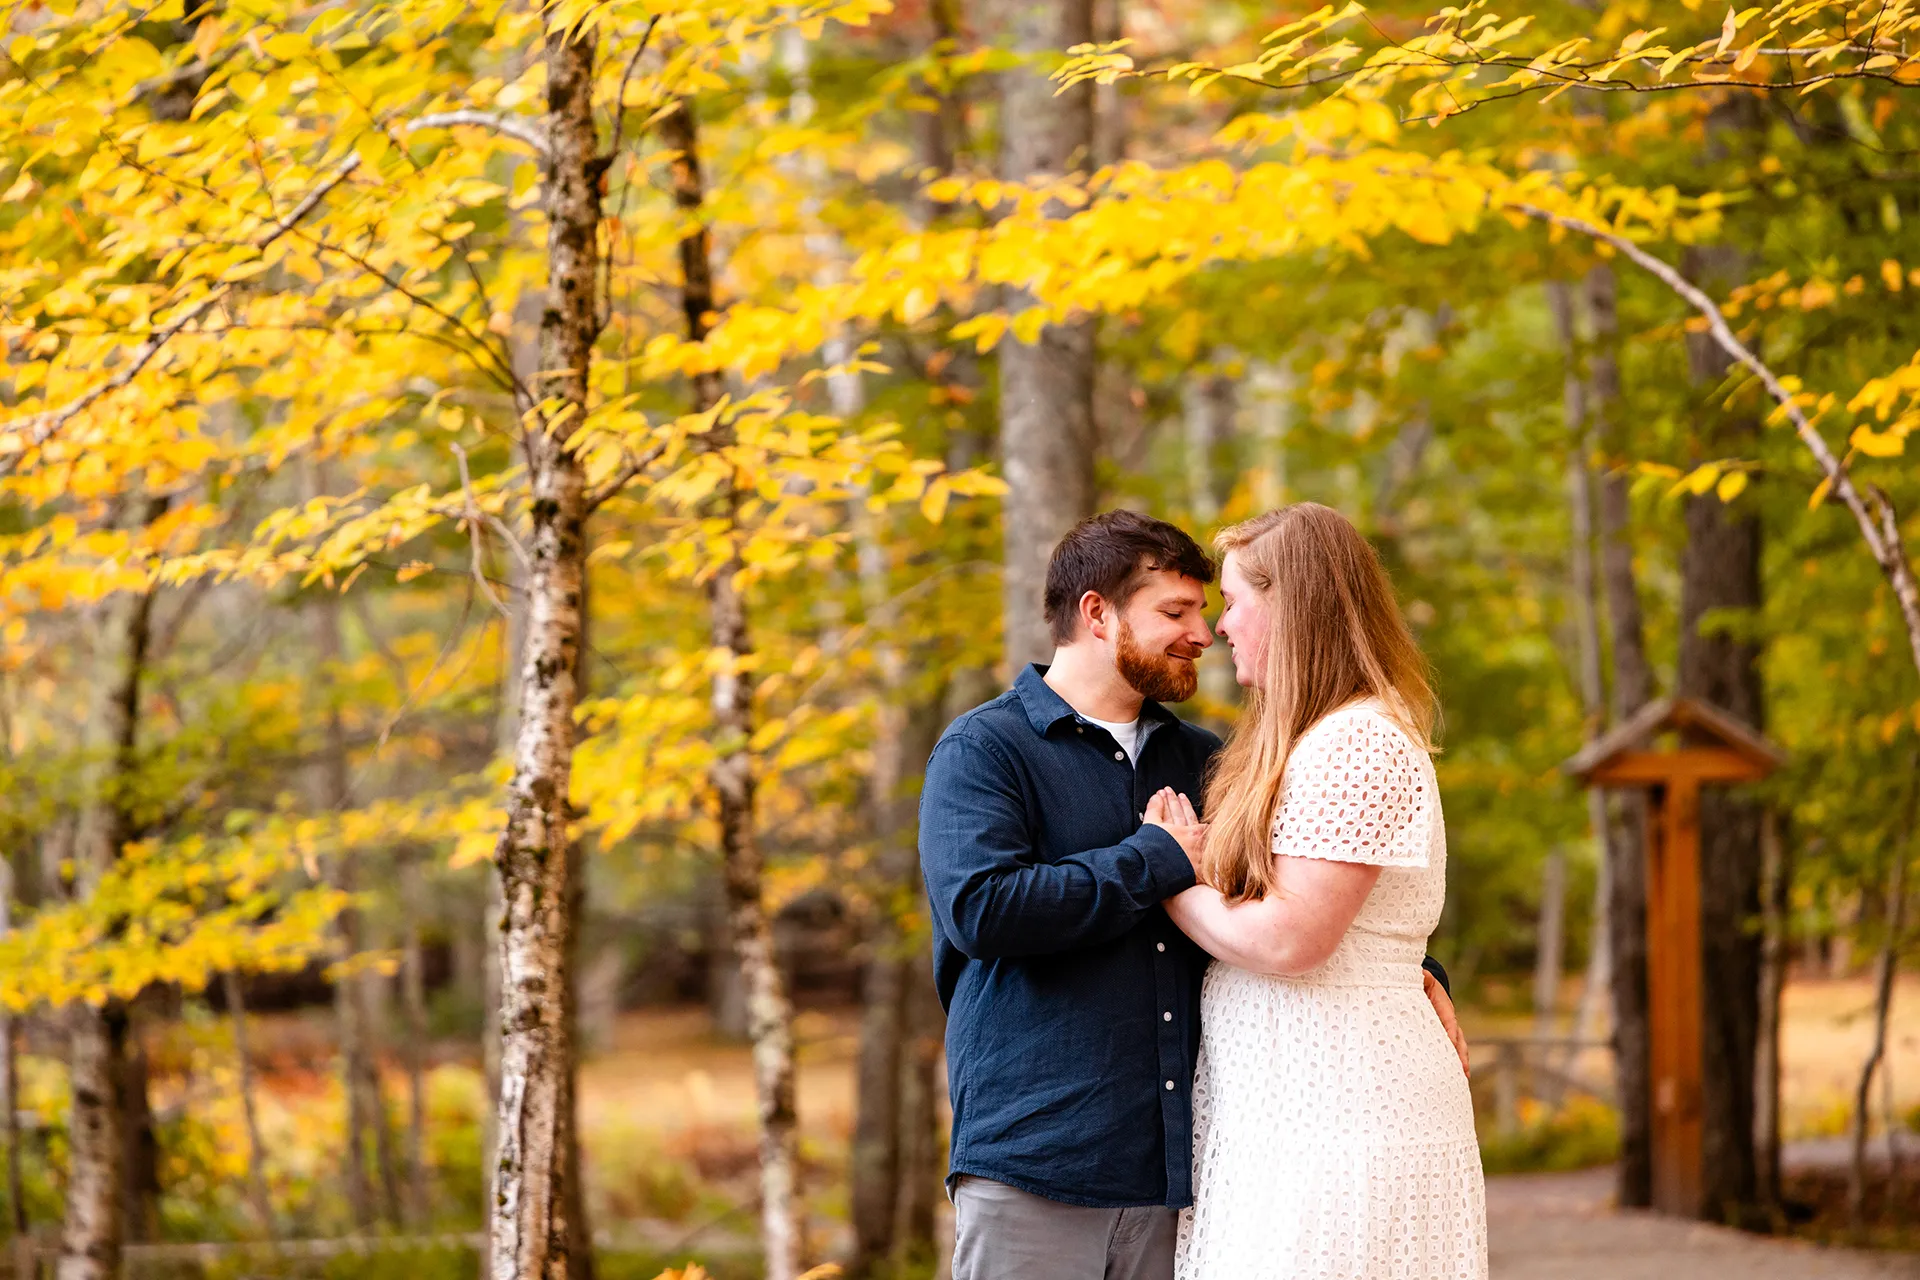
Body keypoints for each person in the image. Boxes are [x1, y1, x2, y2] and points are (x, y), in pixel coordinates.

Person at [918, 509, 1467, 1280]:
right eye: (1174, 613)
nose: (1202, 634)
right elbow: (983, 910)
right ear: (1097, 614)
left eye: (1206, 612)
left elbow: (1285, 900)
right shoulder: (987, 749)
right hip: (1038, 1162)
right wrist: (1151, 862)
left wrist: (1411, 970)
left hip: (1181, 1174)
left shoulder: (1204, 758)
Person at [1162, 503, 1487, 1279]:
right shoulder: (1307, 742)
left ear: (1292, 606)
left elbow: (1291, 938)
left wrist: (1170, 874)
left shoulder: (1356, 741)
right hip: (1292, 1119)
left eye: (1236, 602)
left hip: (1345, 1118)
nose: (1221, 627)